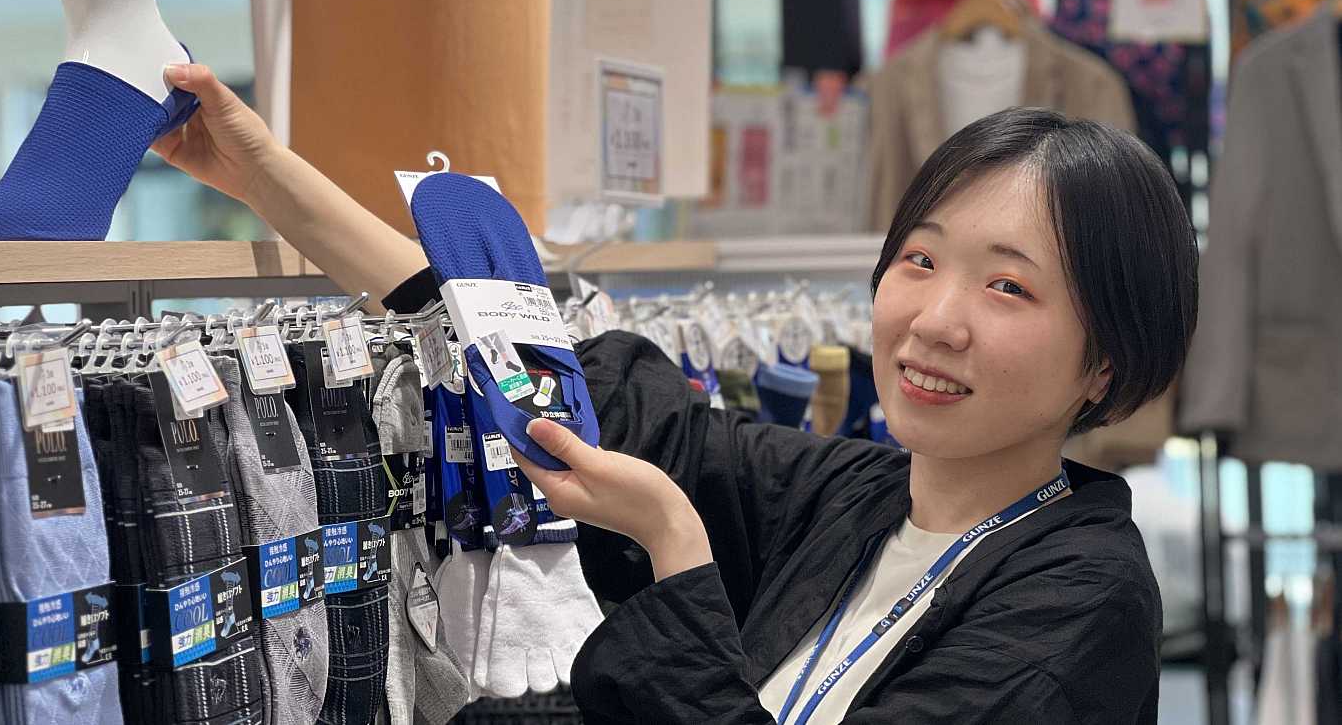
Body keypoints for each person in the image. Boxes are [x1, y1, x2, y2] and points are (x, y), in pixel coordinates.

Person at [157, 63, 1199, 723]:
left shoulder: (1080, 601)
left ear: (1105, 361)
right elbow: (551, 379)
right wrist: (262, 174)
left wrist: (674, 544)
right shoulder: (856, 497)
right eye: (919, 261)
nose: (935, 319)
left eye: (1008, 287)